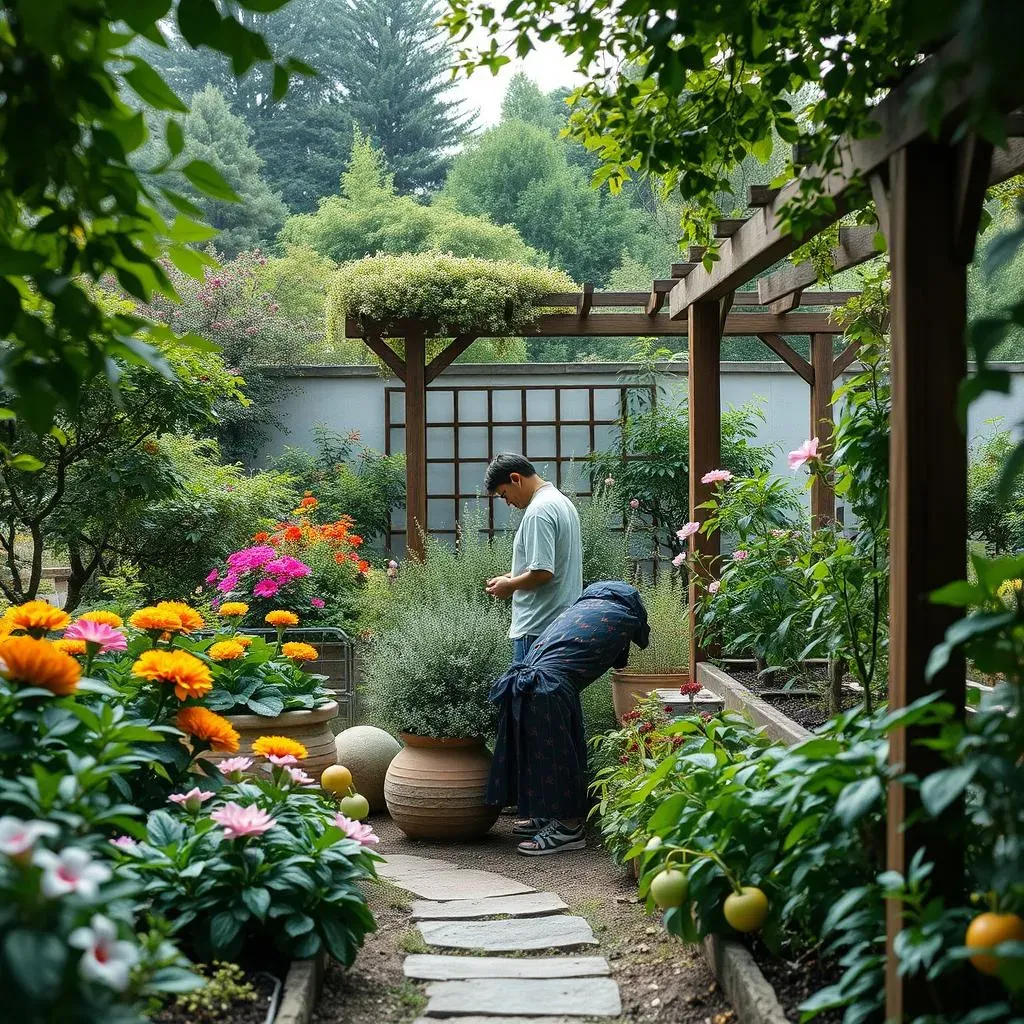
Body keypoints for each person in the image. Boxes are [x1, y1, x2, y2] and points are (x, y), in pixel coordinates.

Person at [486, 582, 649, 856]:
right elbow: (622, 662)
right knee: (556, 754)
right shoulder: (623, 618)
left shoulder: (581, 609)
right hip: (549, 685)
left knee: (545, 753)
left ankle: (567, 825)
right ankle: (556, 817)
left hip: (531, 681)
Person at [483, 452, 584, 853]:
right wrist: (512, 577)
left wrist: (510, 586)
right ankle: (550, 812)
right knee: (551, 723)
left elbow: (543, 573)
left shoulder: (540, 511)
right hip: (556, 628)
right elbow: (545, 569)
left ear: (515, 478)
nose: (508, 502)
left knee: (542, 728)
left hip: (538, 633)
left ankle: (565, 826)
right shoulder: (560, 503)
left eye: (505, 494)